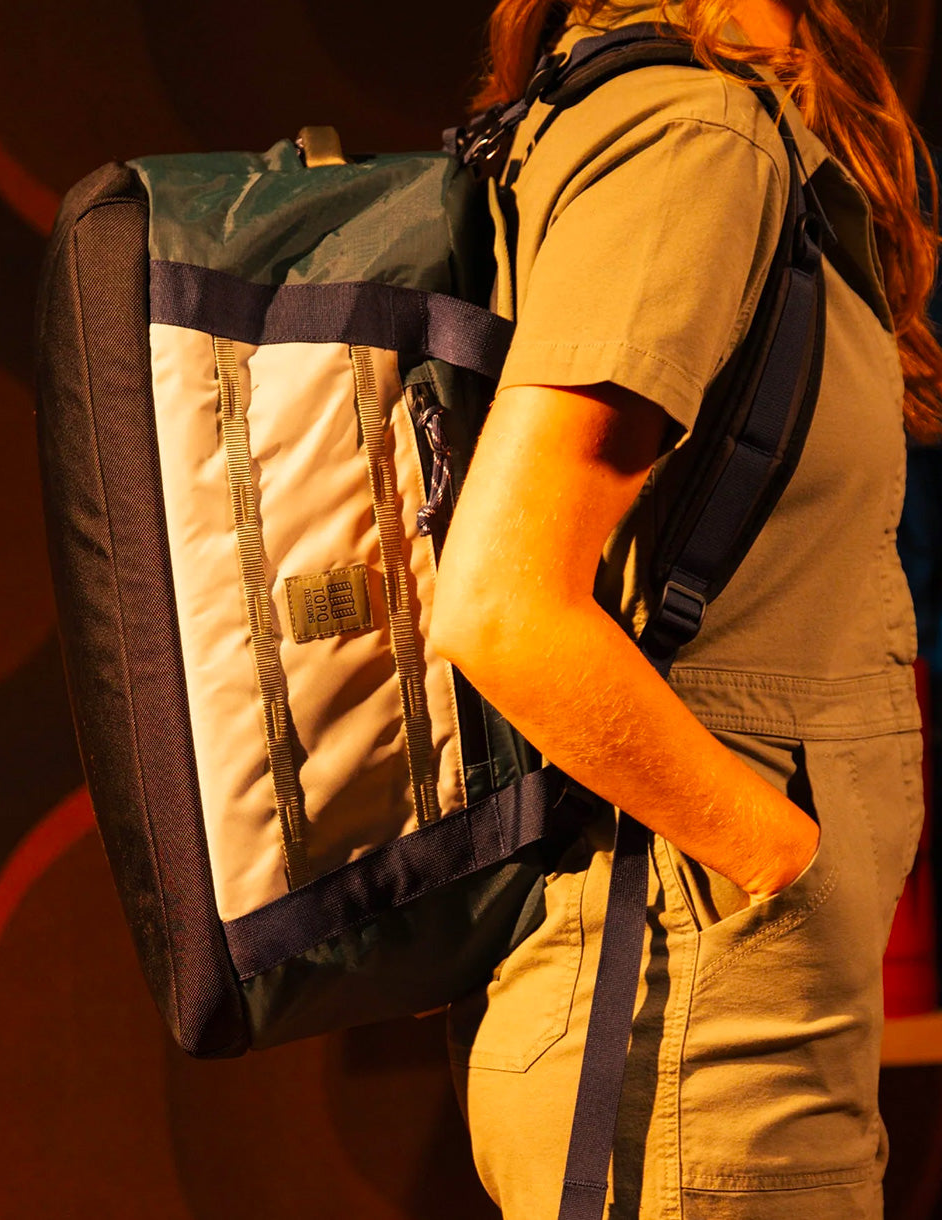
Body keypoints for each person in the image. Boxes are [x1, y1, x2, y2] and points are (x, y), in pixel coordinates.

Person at [429, 0, 942, 1216]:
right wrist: (787, 871)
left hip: (716, 1014)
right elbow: (501, 603)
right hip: (699, 1025)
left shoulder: (710, 122)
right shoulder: (695, 132)